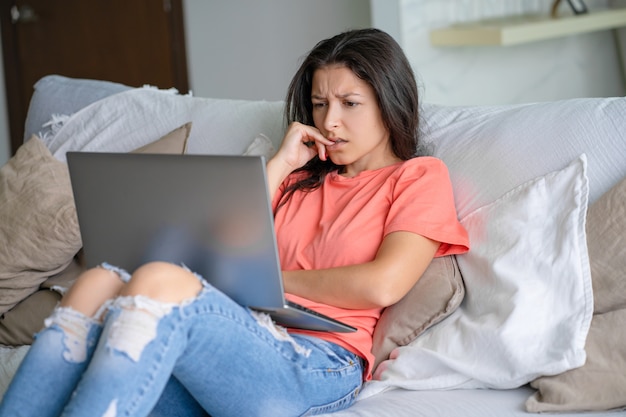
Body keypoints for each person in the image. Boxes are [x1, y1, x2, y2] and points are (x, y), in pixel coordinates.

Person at [0, 28, 469, 417]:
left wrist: (273, 283)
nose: (330, 122)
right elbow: (223, 251)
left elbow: (384, 285)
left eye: (349, 103)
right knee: (97, 282)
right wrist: (282, 164)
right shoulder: (298, 179)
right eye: (320, 103)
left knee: (160, 281)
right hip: (246, 331)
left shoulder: (418, 176)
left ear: (389, 101)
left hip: (321, 359)